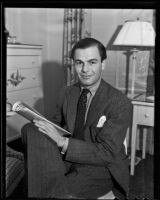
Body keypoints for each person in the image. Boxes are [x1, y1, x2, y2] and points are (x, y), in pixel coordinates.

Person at [21, 37, 133, 199]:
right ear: (74, 64)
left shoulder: (119, 102)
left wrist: (62, 143)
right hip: (66, 157)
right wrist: (34, 118)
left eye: (92, 62)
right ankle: (48, 181)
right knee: (30, 129)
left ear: (103, 64)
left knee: (53, 191)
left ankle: (47, 185)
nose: (85, 69)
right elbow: (57, 125)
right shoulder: (66, 92)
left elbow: (107, 153)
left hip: (100, 167)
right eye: (79, 62)